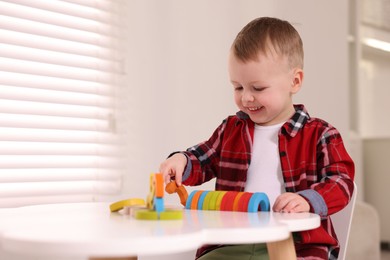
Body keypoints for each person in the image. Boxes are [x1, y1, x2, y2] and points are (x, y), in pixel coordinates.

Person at [159, 16, 355, 260]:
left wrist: (308, 200)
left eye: (258, 88)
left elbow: (342, 181)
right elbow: (202, 159)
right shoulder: (231, 129)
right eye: (238, 87)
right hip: (231, 243)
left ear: (295, 81)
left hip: (298, 245)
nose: (246, 98)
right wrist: (181, 161)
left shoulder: (321, 134)